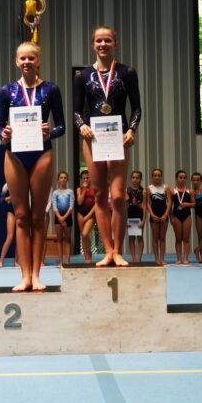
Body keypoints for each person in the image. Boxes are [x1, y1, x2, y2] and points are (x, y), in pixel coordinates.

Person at [0, 42, 65, 291]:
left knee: (38, 216)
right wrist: (3, 133)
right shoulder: (6, 91)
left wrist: (50, 131)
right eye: (23, 58)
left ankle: (36, 274)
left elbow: (61, 126)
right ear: (17, 62)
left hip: (41, 154)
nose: (27, 62)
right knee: (21, 217)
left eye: (31, 58)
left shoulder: (50, 89)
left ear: (38, 61)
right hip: (14, 155)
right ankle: (24, 275)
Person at [73, 26, 142, 267]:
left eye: (108, 40)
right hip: (93, 139)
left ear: (115, 43)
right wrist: (81, 125)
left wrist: (132, 129)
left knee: (119, 196)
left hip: (118, 137)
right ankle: (108, 250)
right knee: (100, 194)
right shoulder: (83, 76)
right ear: (93, 45)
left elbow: (136, 107)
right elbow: (76, 110)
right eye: (99, 41)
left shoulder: (127, 72)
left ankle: (118, 250)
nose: (103, 44)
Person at [48, 171, 74, 265]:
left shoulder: (70, 191)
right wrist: (60, 217)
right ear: (58, 180)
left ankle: (68, 261)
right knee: (59, 240)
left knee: (68, 239)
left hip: (68, 217)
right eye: (61, 178)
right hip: (58, 218)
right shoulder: (55, 193)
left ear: (67, 180)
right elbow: (54, 206)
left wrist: (64, 217)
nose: (63, 179)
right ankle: (61, 261)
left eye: (65, 178)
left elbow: (71, 206)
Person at [147, 168, 170, 266]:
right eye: (155, 175)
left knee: (162, 238)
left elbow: (169, 202)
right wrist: (152, 214)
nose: (157, 177)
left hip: (164, 215)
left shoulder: (166, 187)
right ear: (152, 177)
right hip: (154, 215)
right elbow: (147, 203)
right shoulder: (149, 188)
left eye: (159, 175)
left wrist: (165, 214)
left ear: (161, 176)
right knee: (155, 238)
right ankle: (156, 258)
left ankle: (162, 258)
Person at [170, 170, 193, 266]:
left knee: (186, 238)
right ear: (176, 178)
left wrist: (187, 204)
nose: (182, 179)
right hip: (176, 216)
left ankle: (186, 258)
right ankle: (179, 258)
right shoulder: (172, 191)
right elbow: (170, 205)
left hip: (187, 216)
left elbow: (194, 204)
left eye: (184, 178)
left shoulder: (190, 191)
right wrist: (171, 217)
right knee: (178, 238)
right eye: (180, 177)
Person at [127, 170, 148, 263]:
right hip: (130, 215)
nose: (135, 179)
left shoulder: (143, 191)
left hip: (139, 216)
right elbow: (124, 206)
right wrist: (125, 220)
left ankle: (139, 258)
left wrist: (143, 220)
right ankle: (133, 258)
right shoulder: (127, 190)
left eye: (137, 178)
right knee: (131, 238)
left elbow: (145, 206)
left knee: (139, 237)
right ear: (131, 179)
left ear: (140, 179)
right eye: (133, 177)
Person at [0, 183, 16, 268]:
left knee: (20, 238)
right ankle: (1, 260)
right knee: (10, 237)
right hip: (11, 211)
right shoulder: (6, 185)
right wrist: (11, 198)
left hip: (21, 210)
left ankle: (16, 261)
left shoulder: (24, 183)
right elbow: (1, 200)